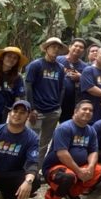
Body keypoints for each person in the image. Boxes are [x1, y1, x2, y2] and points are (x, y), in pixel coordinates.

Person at [42, 99, 101, 199]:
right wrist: (79, 171)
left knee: (99, 171)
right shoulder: (64, 128)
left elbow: (93, 152)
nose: (88, 112)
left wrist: (90, 167)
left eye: (90, 110)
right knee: (67, 177)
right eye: (84, 109)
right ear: (75, 111)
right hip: (56, 167)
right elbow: (62, 153)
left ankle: (71, 193)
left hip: (78, 167)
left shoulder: (91, 130)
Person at [0, 100, 40, 199]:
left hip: (12, 175)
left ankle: (8, 196)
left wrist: (28, 182)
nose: (17, 115)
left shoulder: (32, 138)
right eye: (15, 111)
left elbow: (32, 163)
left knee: (35, 180)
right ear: (9, 113)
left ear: (27, 116)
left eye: (22, 112)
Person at [26, 37, 68, 168]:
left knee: (44, 143)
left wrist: (58, 105)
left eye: (58, 47)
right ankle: (23, 169)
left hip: (53, 111)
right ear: (46, 48)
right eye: (53, 46)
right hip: (37, 111)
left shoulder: (60, 68)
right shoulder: (36, 65)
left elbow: (62, 88)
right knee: (30, 140)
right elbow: (28, 86)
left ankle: (35, 169)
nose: (55, 49)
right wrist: (31, 109)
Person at [0, 46, 26, 129]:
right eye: (9, 56)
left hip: (5, 116)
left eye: (15, 58)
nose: (11, 59)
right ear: (2, 58)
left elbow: (18, 98)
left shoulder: (17, 78)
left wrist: (16, 114)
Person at [57, 38, 87, 123]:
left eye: (81, 47)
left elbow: (89, 84)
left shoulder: (85, 67)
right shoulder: (58, 60)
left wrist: (80, 77)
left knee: (66, 123)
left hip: (72, 101)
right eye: (76, 46)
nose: (78, 48)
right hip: (56, 98)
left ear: (83, 51)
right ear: (70, 47)